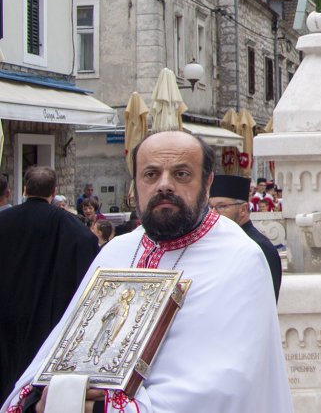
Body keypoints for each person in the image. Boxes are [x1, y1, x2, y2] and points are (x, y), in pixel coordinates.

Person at [4, 131, 293, 412]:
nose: (164, 185)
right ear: (136, 185)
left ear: (207, 183)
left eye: (181, 174)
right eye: (151, 174)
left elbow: (228, 383)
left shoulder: (240, 258)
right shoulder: (117, 252)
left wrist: (108, 408)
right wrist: (39, 400)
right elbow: (60, 351)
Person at [0, 167, 98, 400]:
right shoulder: (68, 224)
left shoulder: (4, 219)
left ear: (24, 189)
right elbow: (88, 243)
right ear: (54, 192)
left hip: (5, 310)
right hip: (45, 315)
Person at [209, 174, 284, 300]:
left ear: (243, 209)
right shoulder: (218, 242)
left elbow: (265, 300)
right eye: (210, 207)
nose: (213, 213)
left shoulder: (260, 247)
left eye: (221, 206)